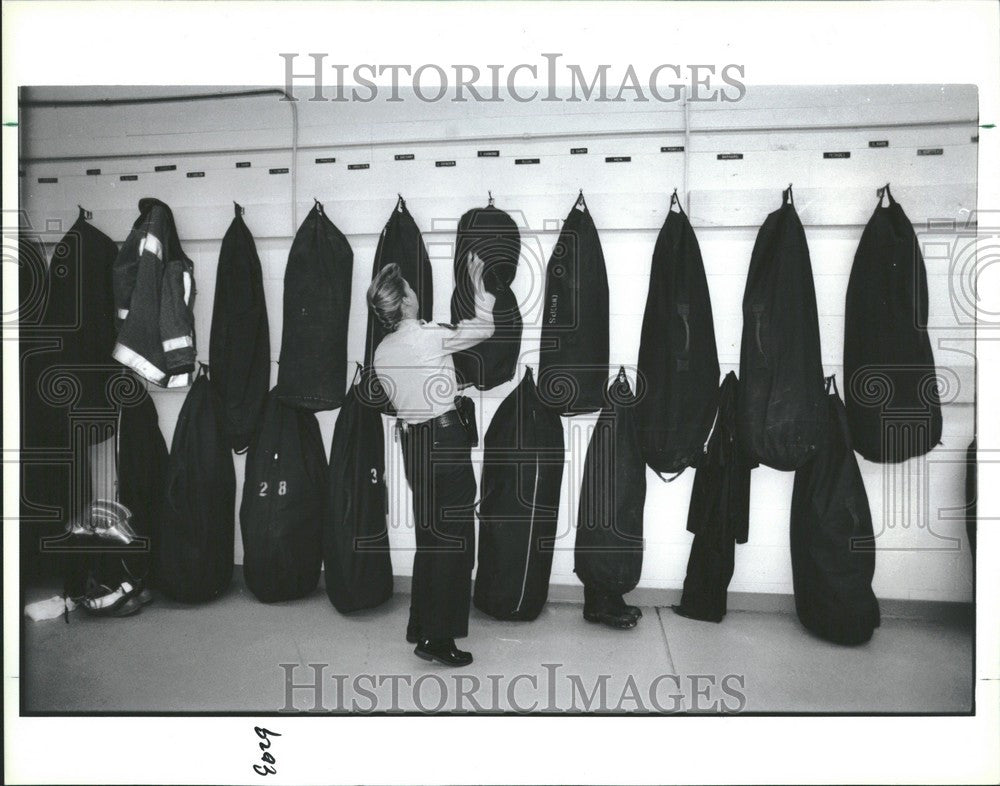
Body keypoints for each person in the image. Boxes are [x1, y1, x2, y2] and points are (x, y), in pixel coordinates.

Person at [368, 255, 495, 667]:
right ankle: (438, 640)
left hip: (414, 448)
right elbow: (485, 329)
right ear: (405, 302)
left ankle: (420, 623)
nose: (416, 292)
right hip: (444, 443)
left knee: (431, 537)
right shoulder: (426, 337)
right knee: (454, 542)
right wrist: (480, 288)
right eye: (410, 289)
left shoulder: (382, 352)